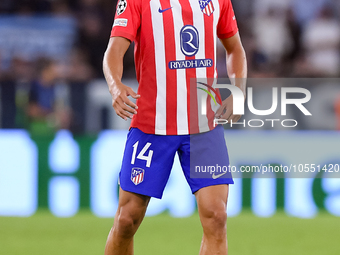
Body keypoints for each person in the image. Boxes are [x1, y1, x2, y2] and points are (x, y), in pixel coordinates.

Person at [103, 0, 247, 254]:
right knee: (127, 220)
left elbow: (235, 48)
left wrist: (238, 90)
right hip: (151, 126)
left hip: (203, 126)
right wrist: (115, 86)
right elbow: (113, 51)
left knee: (217, 217)